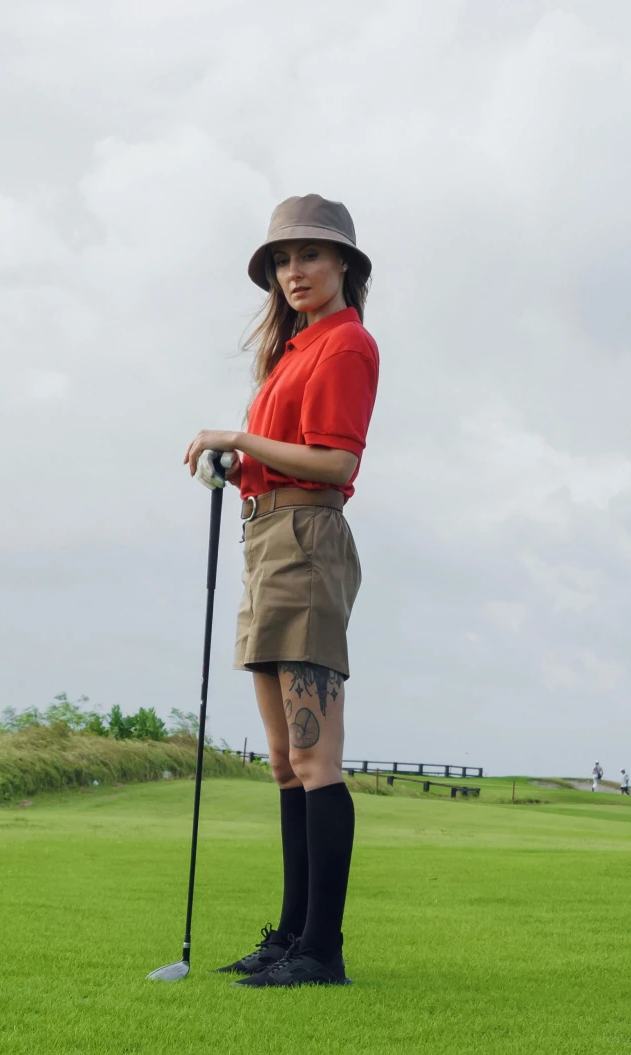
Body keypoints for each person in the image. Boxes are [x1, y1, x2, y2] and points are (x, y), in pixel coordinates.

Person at [185, 194, 378, 987]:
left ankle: (321, 951)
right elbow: (282, 451)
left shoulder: (346, 346)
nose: (296, 272)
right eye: (284, 261)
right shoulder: (292, 352)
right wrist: (236, 465)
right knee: (281, 760)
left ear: (343, 267)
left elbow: (336, 463)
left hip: (307, 540)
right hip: (265, 539)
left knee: (313, 753)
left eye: (311, 256)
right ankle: (292, 934)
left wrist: (234, 435)